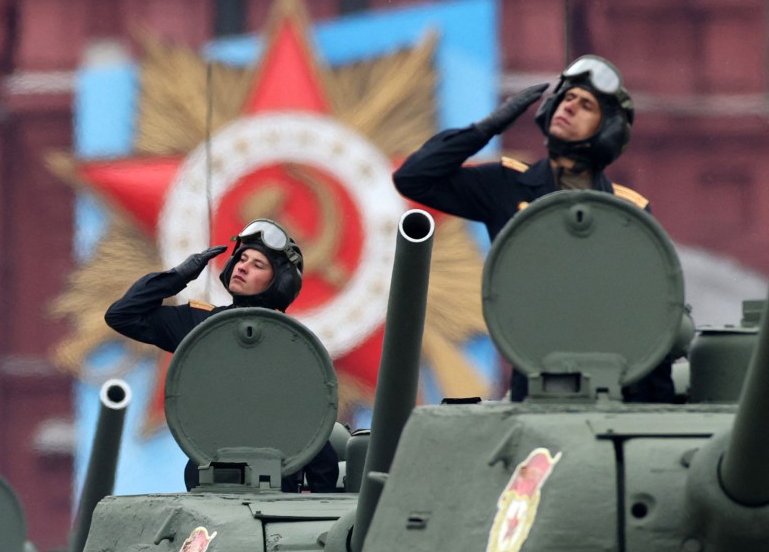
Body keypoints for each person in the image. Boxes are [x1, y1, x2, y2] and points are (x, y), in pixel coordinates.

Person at [393, 54, 674, 403]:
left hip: (613, 381)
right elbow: (413, 178)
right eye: (566, 98)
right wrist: (487, 127)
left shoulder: (628, 211)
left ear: (608, 129)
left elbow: (651, 310)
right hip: (535, 380)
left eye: (586, 105)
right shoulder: (506, 184)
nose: (569, 107)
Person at [105, 219, 339, 492]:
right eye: (241, 258)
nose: (242, 266)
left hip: (279, 486)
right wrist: (179, 276)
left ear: (279, 282)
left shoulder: (293, 344)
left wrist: (323, 495)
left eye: (257, 265)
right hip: (209, 482)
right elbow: (122, 315)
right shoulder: (202, 326)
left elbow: (310, 421)